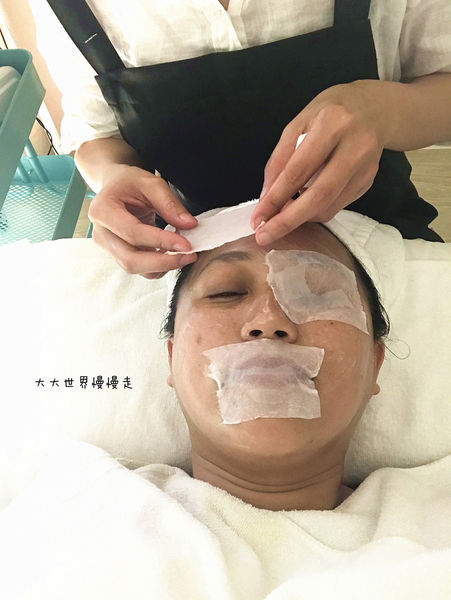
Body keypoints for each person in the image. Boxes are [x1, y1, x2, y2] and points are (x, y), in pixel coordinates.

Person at [33, 0, 451, 278]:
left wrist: (381, 111)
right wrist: (112, 177)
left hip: (382, 231)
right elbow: (98, 134)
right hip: (192, 249)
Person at [160, 219, 388, 511]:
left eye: (317, 295)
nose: (269, 321)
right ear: (172, 357)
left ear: (375, 363)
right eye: (225, 292)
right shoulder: (104, 504)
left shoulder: (431, 520)